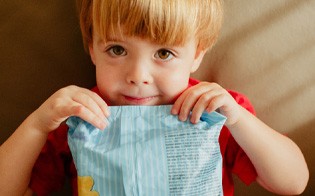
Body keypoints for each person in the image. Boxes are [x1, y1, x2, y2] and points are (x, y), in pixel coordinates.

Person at [0, 0, 309, 195]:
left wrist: (239, 120)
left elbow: (293, 183)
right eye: (117, 50)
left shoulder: (213, 110)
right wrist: (36, 126)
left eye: (164, 53)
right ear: (93, 48)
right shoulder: (77, 116)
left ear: (197, 55)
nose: (138, 75)